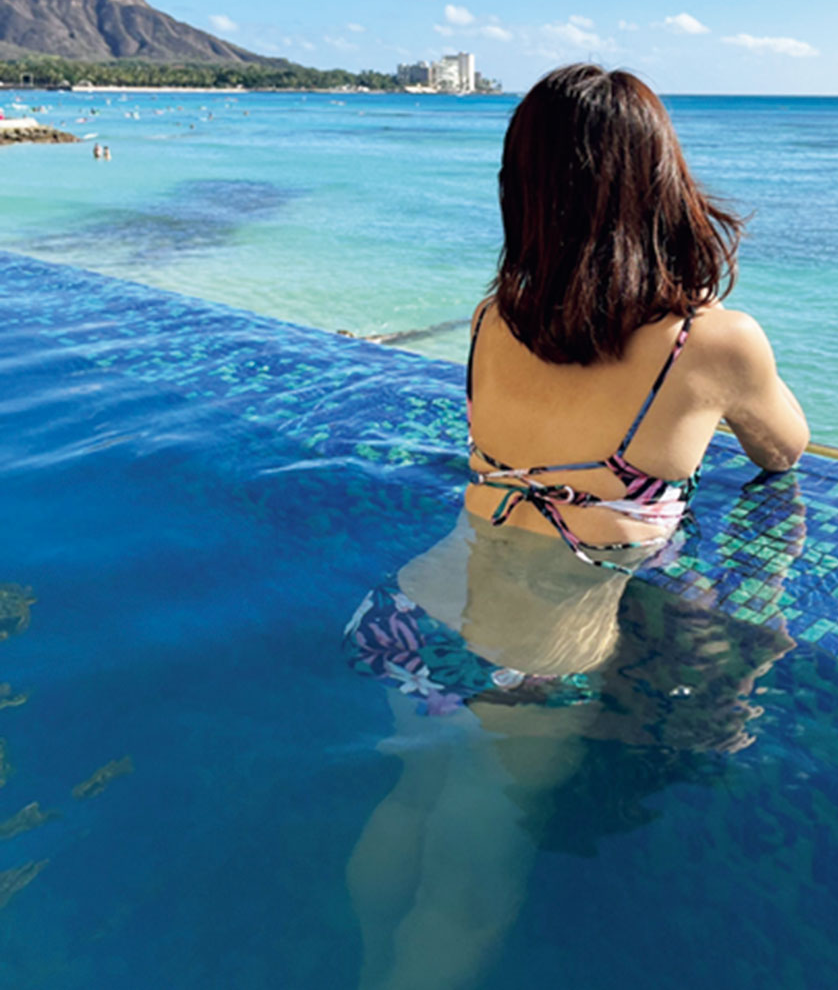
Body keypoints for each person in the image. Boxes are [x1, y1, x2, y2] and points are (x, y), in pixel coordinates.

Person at [344, 64, 809, 990]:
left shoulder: (490, 317)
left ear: (523, 191)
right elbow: (783, 449)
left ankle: (357, 965)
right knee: (468, 888)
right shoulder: (707, 342)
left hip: (415, 610)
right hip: (536, 659)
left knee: (409, 803)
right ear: (658, 183)